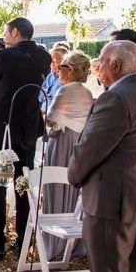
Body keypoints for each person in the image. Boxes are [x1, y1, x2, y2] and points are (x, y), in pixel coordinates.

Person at [65, 41, 136, 272]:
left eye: (102, 65)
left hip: (112, 198)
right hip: (134, 195)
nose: (99, 71)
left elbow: (90, 149)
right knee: (128, 266)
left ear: (116, 66)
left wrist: (73, 176)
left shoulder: (117, 98)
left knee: (109, 267)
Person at [0, 17, 52, 259]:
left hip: (1, 128)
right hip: (28, 128)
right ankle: (22, 240)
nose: (4, 36)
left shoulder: (3, 56)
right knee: (23, 183)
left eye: (5, 31)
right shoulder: (44, 57)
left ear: (15, 31)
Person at [43, 50, 93, 259]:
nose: (57, 69)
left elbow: (51, 121)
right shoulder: (87, 92)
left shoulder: (65, 91)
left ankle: (54, 243)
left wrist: (41, 113)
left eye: (61, 65)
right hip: (79, 143)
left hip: (62, 143)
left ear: (70, 70)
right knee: (73, 190)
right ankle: (73, 244)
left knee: (55, 185)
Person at [38, 46, 67, 112]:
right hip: (44, 113)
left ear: (64, 60)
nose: (51, 62)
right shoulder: (50, 76)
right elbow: (40, 95)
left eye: (55, 60)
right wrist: (48, 97)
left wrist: (47, 95)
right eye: (50, 59)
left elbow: (58, 100)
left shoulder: (66, 78)